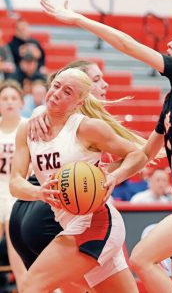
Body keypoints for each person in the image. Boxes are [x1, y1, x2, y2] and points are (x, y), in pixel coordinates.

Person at [40, 0, 172, 293]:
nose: (170, 42)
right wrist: (113, 177)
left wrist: (78, 19)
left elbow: (128, 44)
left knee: (142, 258)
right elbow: (146, 152)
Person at [10, 67, 147, 293]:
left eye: (67, 92)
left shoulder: (86, 128)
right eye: (56, 86)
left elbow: (137, 154)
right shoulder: (28, 128)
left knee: (31, 287)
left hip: (95, 222)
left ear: (79, 102)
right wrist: (38, 193)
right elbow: (15, 182)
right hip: (67, 221)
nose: (56, 93)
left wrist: (114, 176)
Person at [0, 80, 27, 291]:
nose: (9, 102)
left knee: (15, 253)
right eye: (4, 98)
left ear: (21, 102)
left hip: (18, 189)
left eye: (13, 98)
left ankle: (23, 287)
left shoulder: (28, 126)